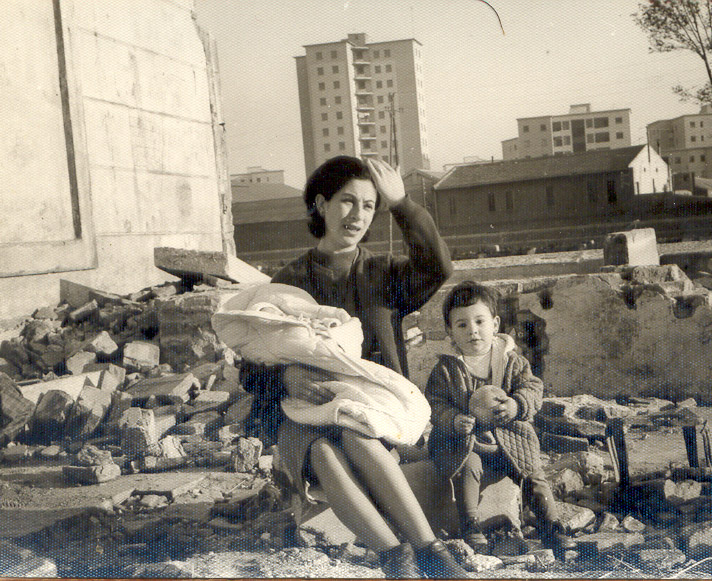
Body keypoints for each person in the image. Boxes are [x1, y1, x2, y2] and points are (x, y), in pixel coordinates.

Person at [241, 156, 467, 579]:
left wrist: (402, 205)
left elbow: (439, 267)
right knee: (324, 451)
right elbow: (250, 363)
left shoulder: (385, 273)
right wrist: (285, 375)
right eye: (347, 202)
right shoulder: (288, 282)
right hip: (303, 415)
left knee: (353, 434)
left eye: (368, 205)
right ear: (322, 205)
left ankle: (431, 554)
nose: (358, 215)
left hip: (372, 412)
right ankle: (396, 561)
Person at [425, 281, 575, 555]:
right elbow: (435, 404)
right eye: (461, 325)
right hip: (466, 439)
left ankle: (551, 525)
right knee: (467, 466)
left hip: (509, 436)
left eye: (479, 321)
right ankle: (470, 523)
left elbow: (533, 388)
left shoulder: (512, 361)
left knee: (532, 470)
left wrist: (517, 406)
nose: (473, 330)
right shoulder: (446, 369)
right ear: (450, 332)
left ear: (495, 324)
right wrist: (454, 419)